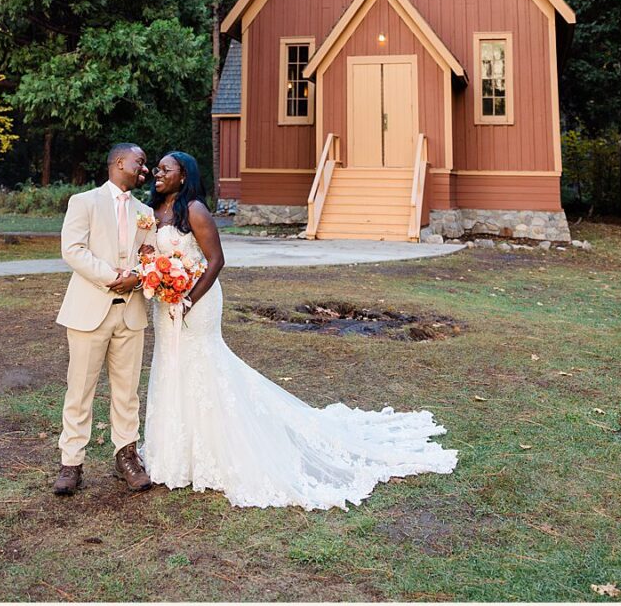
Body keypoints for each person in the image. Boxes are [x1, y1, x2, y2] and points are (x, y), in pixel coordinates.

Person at [142, 151, 458, 509]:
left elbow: (216, 261)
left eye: (166, 169)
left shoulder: (195, 211)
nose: (158, 173)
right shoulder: (152, 213)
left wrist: (188, 299)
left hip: (196, 303)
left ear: (184, 176)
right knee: (170, 365)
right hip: (164, 303)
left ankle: (211, 450)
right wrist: (160, 282)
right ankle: (173, 452)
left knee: (201, 365)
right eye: (158, 168)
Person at [53, 142, 158, 495]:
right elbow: (73, 250)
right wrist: (114, 275)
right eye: (139, 163)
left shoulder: (146, 211)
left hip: (131, 314)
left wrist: (141, 275)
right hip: (88, 311)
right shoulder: (84, 202)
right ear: (118, 162)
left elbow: (152, 255)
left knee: (127, 392)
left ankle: (126, 457)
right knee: (80, 389)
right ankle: (71, 463)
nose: (144, 170)